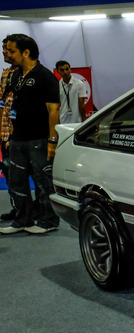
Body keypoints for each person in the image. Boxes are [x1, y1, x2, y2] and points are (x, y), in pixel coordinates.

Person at [0, 34, 60, 235]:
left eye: (12, 51)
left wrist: (52, 141)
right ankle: (22, 219)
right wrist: (9, 136)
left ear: (26, 53)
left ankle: (48, 220)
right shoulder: (16, 75)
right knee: (16, 181)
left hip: (39, 139)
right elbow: (12, 106)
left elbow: (53, 111)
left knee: (43, 182)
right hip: (18, 139)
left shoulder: (45, 76)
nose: (8, 54)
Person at [1, 37, 19, 220]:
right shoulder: (5, 73)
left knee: (24, 175)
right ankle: (18, 208)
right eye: (3, 49)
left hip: (20, 135)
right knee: (9, 174)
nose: (5, 52)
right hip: (5, 133)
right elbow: (1, 104)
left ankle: (35, 210)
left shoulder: (28, 75)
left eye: (8, 49)